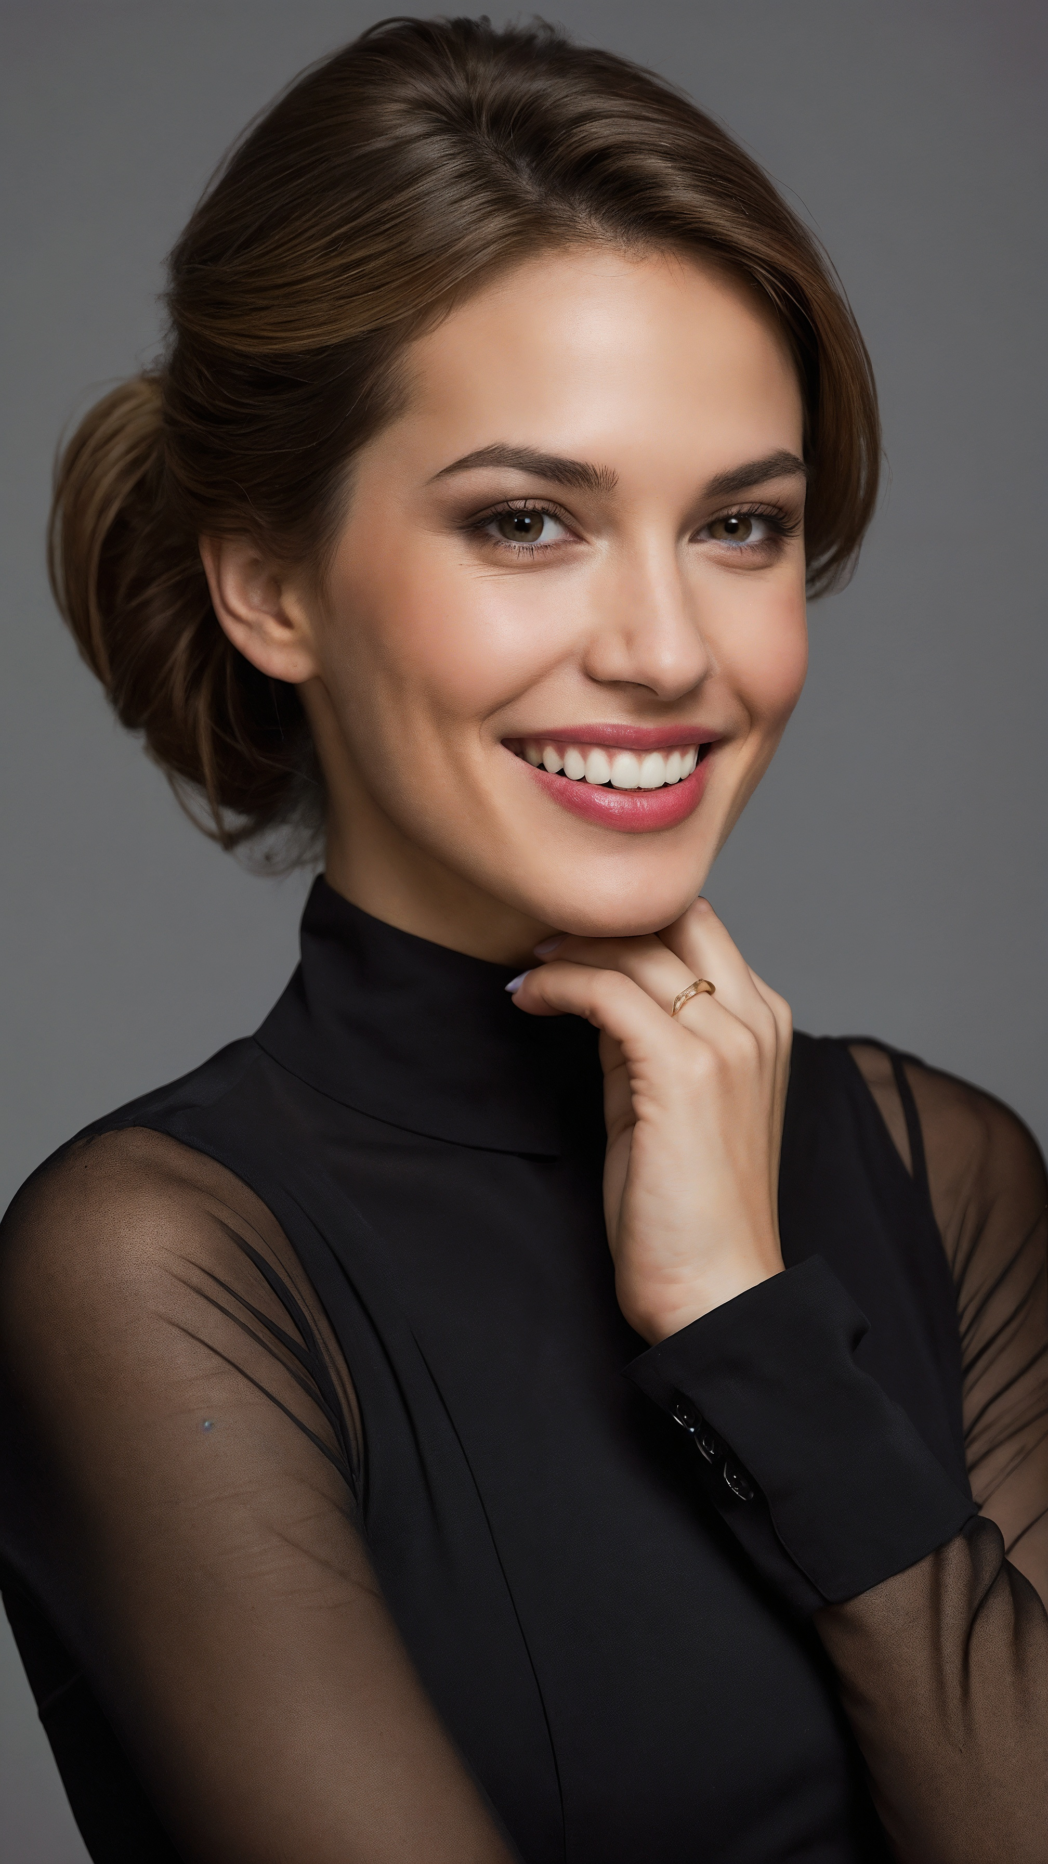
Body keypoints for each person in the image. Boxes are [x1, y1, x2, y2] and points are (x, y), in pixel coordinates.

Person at [1, 16, 1045, 1863]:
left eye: (740, 525)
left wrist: (757, 1335)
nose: (667, 649)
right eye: (528, 520)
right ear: (269, 583)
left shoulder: (941, 1170)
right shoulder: (151, 1271)